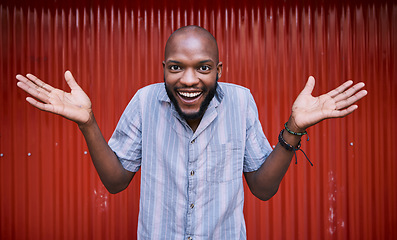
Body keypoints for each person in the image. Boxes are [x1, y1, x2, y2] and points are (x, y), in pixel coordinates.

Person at [16, 25, 367, 239]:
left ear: (218, 69)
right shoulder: (144, 101)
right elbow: (116, 182)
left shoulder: (241, 102)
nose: (188, 79)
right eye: (176, 67)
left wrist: (294, 128)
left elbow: (261, 188)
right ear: (164, 69)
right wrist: (88, 123)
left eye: (203, 67)